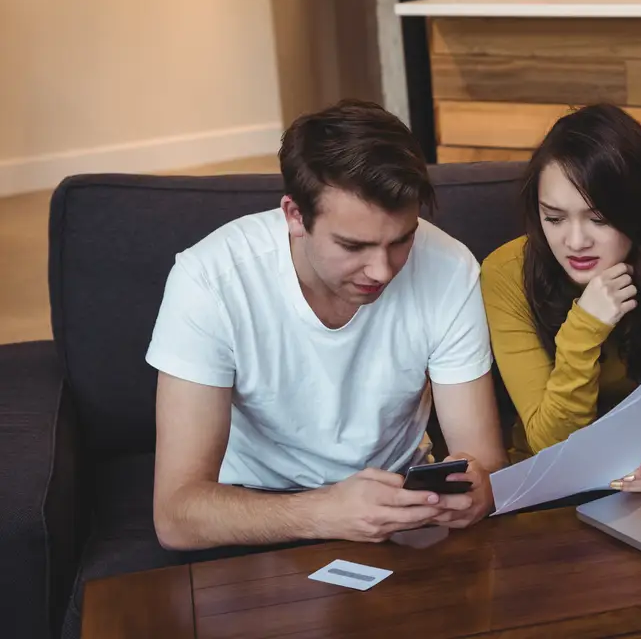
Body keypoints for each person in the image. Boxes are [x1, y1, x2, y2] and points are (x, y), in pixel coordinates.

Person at [148, 100, 507, 551]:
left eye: (401, 240)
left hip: (401, 510)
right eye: (353, 245)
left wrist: (476, 491)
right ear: (295, 216)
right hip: (255, 514)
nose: (381, 270)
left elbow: (485, 461)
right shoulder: (210, 279)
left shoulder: (449, 268)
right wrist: (325, 512)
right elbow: (177, 514)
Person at [481, 104, 641, 493]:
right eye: (554, 218)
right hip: (547, 492)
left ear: (639, 209)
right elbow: (550, 446)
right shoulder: (506, 273)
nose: (576, 242)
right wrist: (585, 327)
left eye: (599, 219)